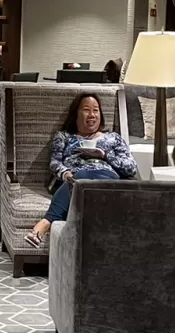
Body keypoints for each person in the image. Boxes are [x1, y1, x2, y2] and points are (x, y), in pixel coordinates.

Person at [25, 93, 136, 246]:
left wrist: (105, 156)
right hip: (75, 179)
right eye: (86, 110)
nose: (92, 115)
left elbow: (131, 168)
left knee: (87, 177)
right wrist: (65, 173)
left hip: (108, 178)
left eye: (96, 110)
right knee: (80, 178)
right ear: (75, 114)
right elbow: (55, 162)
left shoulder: (113, 138)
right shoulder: (63, 137)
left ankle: (45, 223)